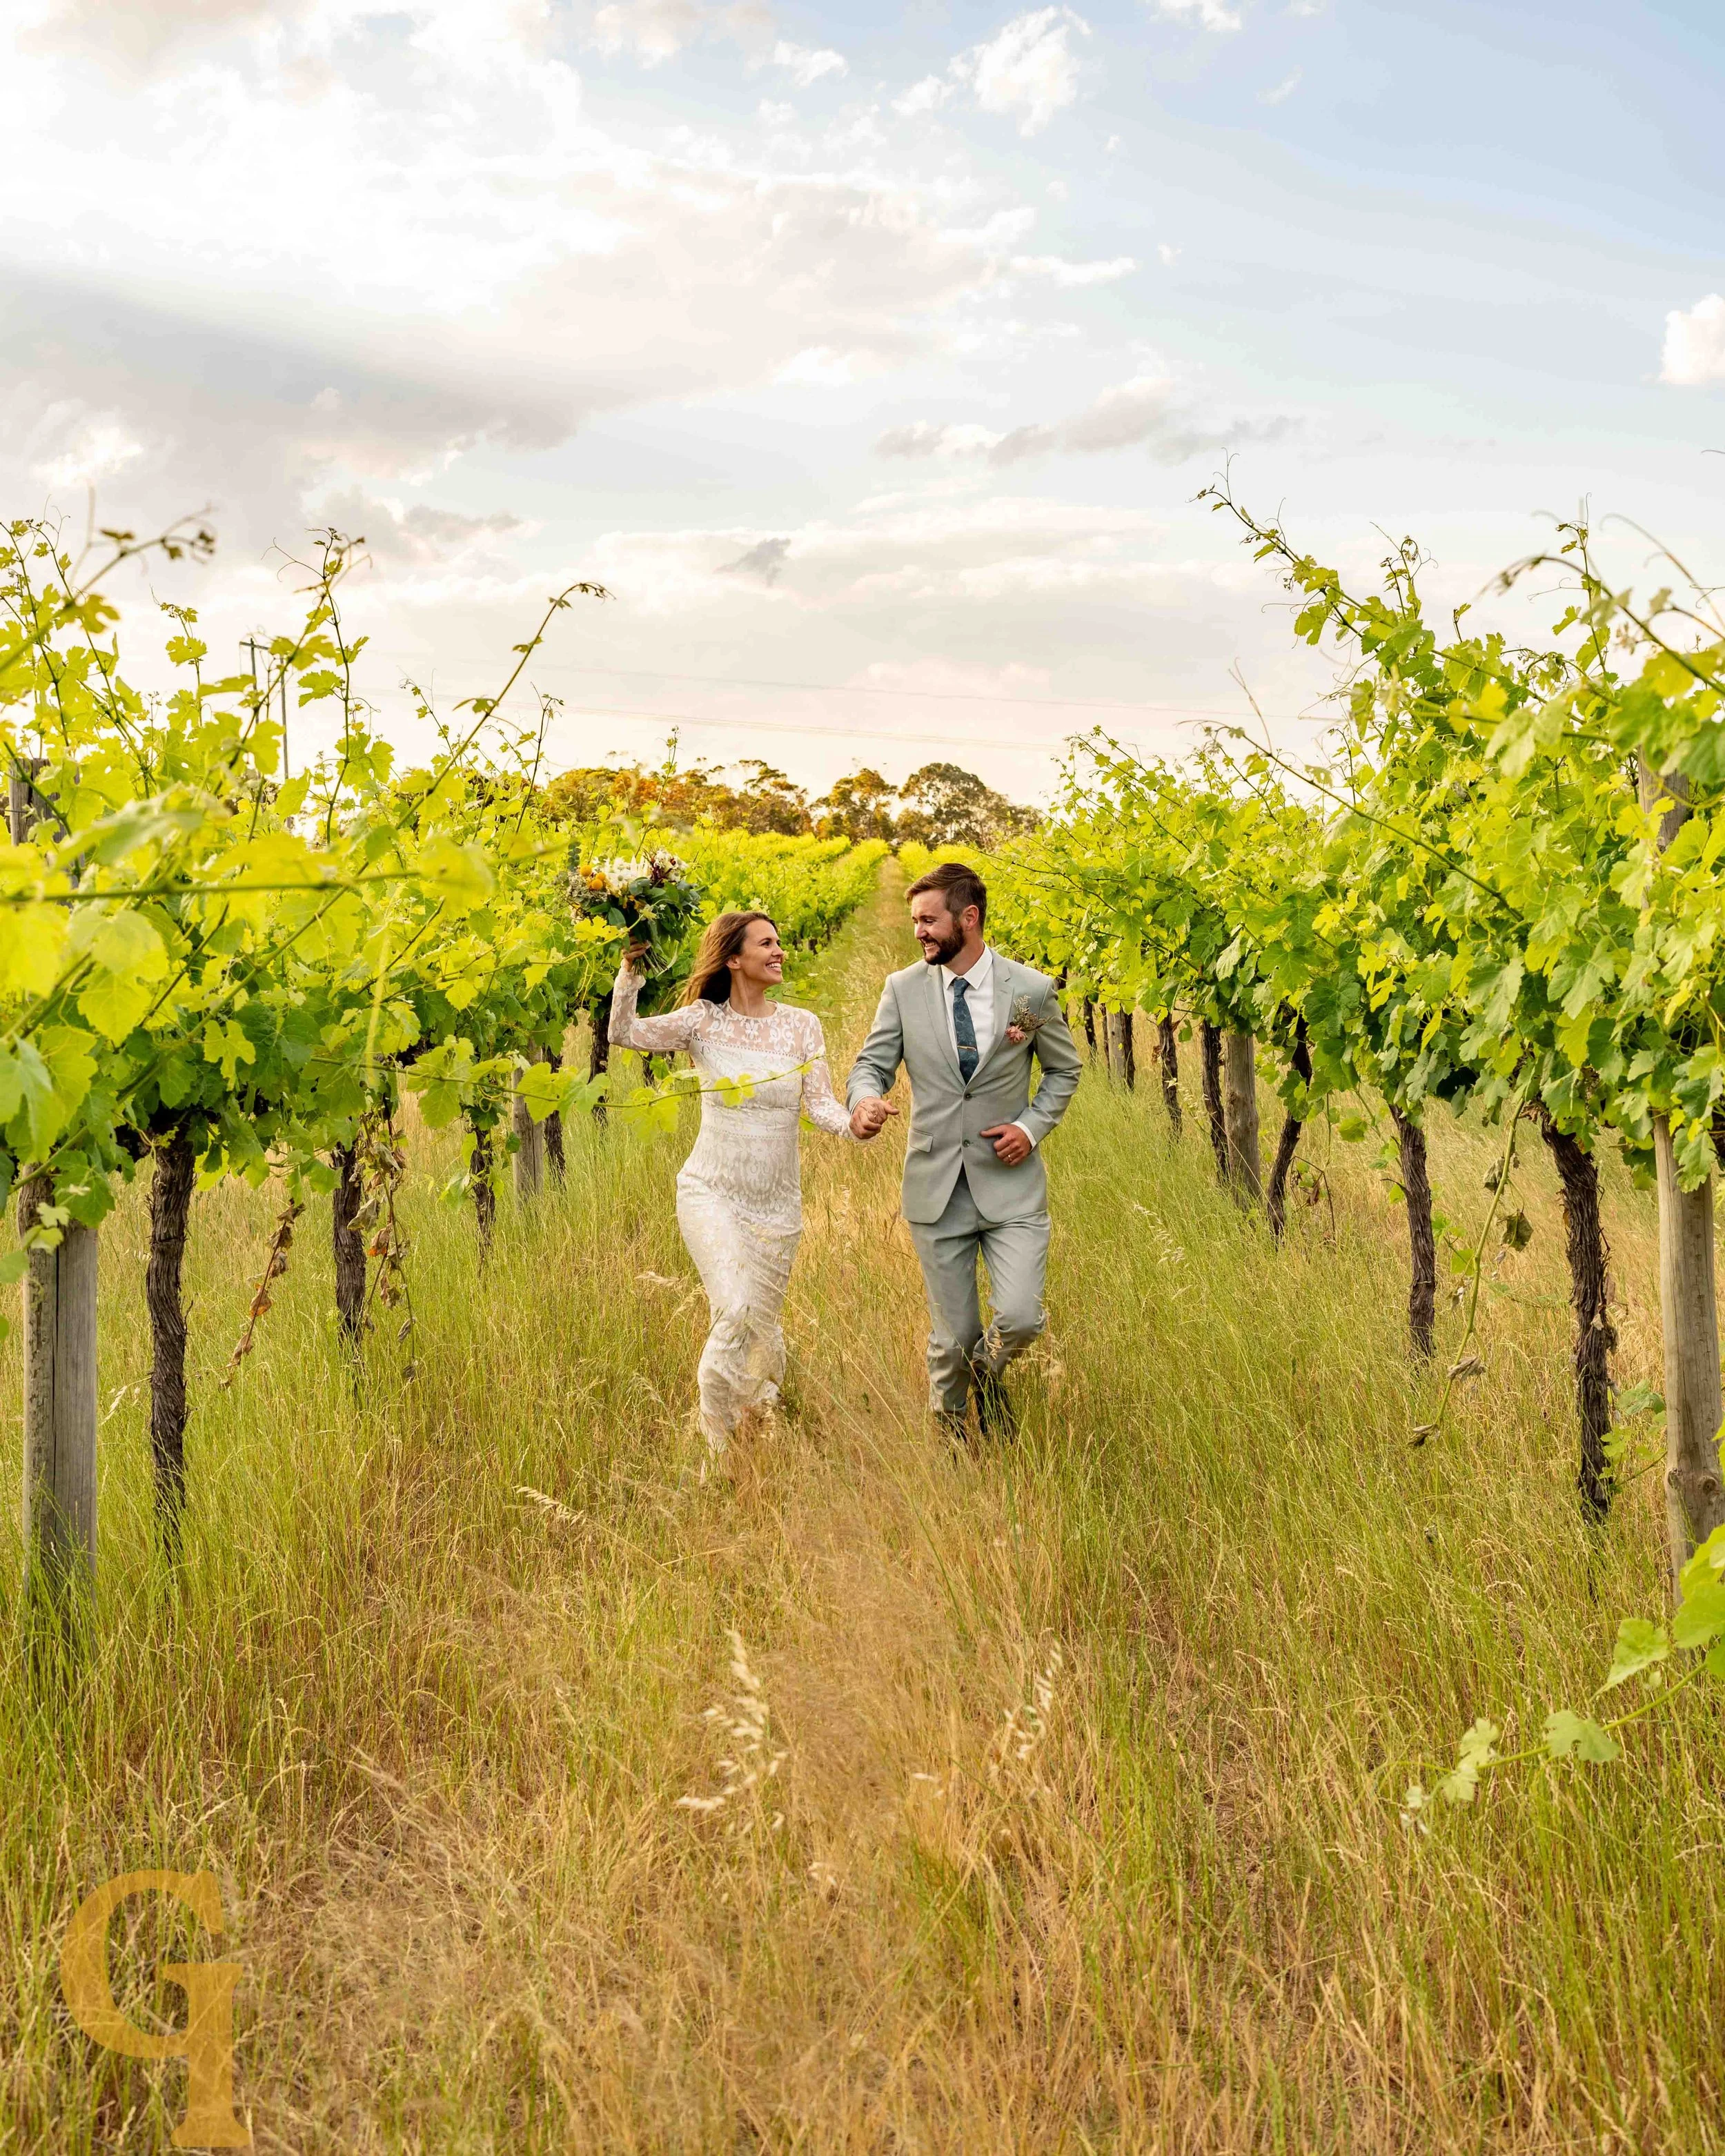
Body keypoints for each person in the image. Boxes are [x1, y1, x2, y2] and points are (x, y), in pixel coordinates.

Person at [847, 860, 1081, 1442]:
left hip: (1013, 1185)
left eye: (929, 920)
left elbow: (1063, 1070)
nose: (919, 932)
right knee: (951, 1336)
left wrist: (1030, 1126)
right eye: (915, 921)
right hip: (936, 1186)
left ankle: (987, 1372)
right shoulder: (902, 989)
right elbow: (871, 1065)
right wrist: (867, 1100)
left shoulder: (1029, 991)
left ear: (968, 918)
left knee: (1022, 1318)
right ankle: (954, 1435)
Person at [608, 911, 856, 1456]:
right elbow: (624, 1034)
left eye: (780, 941)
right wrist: (630, 972)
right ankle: (715, 1448)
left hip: (777, 1208)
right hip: (711, 1190)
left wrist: (854, 1126)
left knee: (761, 1332)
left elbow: (819, 1104)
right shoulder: (702, 1021)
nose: (780, 950)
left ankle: (757, 1426)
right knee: (736, 1310)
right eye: (766, 942)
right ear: (734, 958)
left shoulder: (802, 1025)